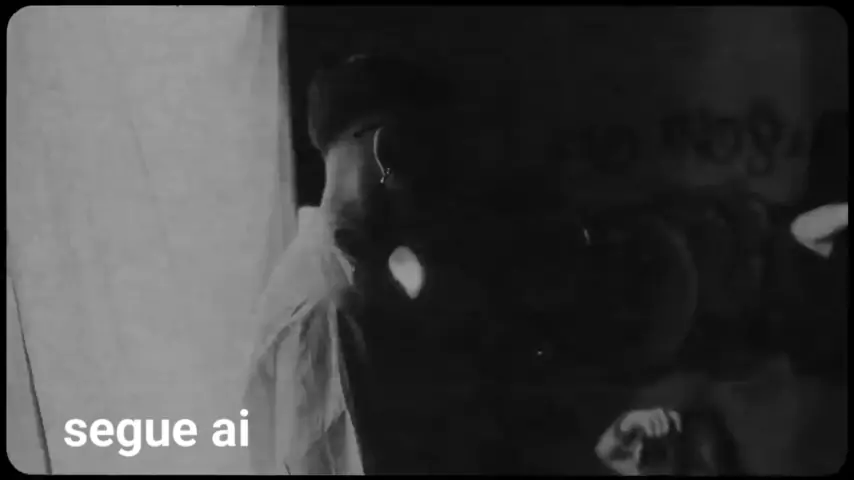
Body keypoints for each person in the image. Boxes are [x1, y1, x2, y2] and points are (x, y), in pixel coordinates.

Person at [242, 54, 452, 475]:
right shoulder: (328, 302)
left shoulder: (346, 282)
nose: (442, 186)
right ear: (389, 149)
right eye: (435, 156)